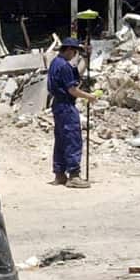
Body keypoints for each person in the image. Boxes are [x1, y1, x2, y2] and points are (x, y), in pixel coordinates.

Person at [48, 37, 99, 188]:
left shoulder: (56, 63)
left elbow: (76, 75)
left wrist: (86, 59)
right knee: (72, 138)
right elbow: (72, 89)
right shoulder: (64, 66)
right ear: (69, 50)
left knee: (61, 139)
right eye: (75, 52)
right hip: (66, 106)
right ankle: (74, 175)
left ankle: (59, 174)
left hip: (58, 105)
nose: (74, 55)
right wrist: (89, 97)